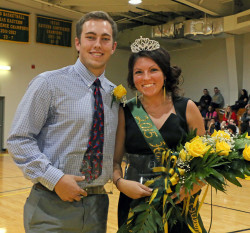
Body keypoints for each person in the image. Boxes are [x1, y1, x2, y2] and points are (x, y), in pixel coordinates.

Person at [7, 11, 118, 233]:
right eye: (90, 37)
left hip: (98, 206)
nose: (98, 44)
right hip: (51, 203)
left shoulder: (114, 94)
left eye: (105, 39)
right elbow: (19, 139)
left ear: (113, 47)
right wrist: (55, 179)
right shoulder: (48, 83)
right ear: (78, 43)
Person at [113, 37, 206, 232]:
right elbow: (115, 162)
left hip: (177, 201)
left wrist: (194, 185)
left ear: (165, 73)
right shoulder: (126, 111)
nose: (146, 78)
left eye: (153, 70)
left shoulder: (187, 108)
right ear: (132, 77)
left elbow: (205, 163)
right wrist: (120, 183)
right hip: (134, 203)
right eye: (139, 72)